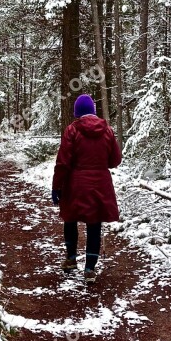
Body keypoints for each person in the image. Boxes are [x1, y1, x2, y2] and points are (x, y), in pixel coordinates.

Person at [51, 94, 122, 284]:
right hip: (100, 183)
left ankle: (71, 259)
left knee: (70, 218)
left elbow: (63, 162)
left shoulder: (72, 130)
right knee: (94, 223)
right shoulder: (107, 130)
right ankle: (90, 269)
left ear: (77, 112)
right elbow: (115, 160)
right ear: (93, 111)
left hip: (75, 183)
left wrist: (56, 186)